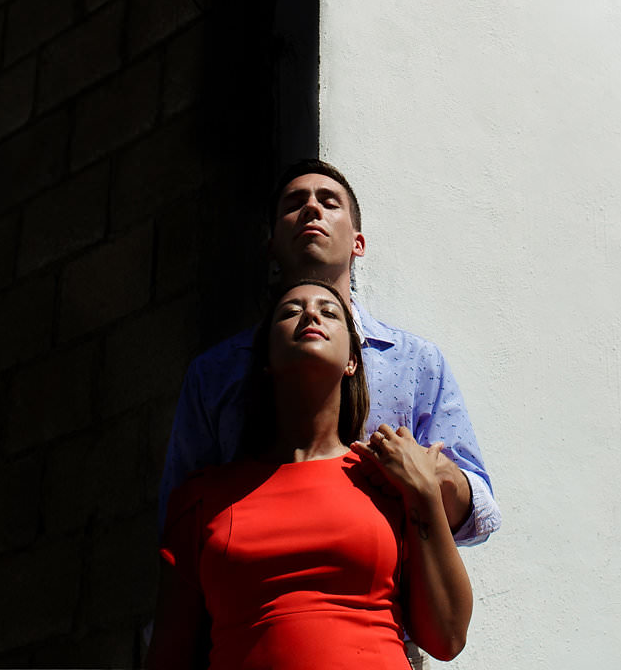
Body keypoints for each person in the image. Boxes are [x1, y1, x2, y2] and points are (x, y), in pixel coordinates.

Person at [157, 160, 500, 546]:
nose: (312, 208)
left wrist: (438, 478)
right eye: (294, 203)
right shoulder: (214, 373)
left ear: (358, 242)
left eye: (329, 202)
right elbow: (179, 518)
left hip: (382, 593)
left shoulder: (417, 363)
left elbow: (479, 515)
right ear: (270, 245)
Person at [148, 278, 473, 668]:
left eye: (329, 311)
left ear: (353, 360)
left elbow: (448, 636)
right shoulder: (202, 500)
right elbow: (169, 657)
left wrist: (424, 494)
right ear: (265, 358)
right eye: (290, 311)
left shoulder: (387, 480)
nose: (311, 314)